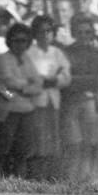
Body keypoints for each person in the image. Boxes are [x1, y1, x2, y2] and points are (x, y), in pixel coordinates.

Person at [0, 24, 43, 177]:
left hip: (26, 111)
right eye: (16, 40)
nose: (20, 44)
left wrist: (23, 86)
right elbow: (8, 82)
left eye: (24, 41)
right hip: (7, 112)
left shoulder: (27, 59)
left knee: (22, 151)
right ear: (9, 41)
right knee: (1, 150)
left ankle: (19, 182)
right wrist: (28, 83)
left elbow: (38, 84)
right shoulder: (2, 58)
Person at [61, 16, 98, 180]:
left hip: (90, 103)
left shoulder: (97, 54)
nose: (84, 36)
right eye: (80, 32)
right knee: (73, 144)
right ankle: (70, 180)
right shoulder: (66, 53)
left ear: (92, 34)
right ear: (74, 32)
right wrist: (84, 84)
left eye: (88, 32)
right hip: (71, 103)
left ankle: (86, 180)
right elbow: (66, 81)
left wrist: (79, 82)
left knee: (90, 144)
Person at [26, 16, 72, 179]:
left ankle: (49, 177)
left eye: (49, 31)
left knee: (52, 141)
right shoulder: (29, 53)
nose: (45, 35)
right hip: (35, 102)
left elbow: (67, 76)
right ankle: (34, 177)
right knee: (36, 141)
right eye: (41, 31)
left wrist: (56, 80)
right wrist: (40, 80)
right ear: (35, 33)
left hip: (53, 101)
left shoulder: (57, 53)